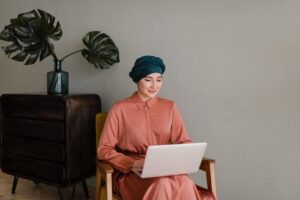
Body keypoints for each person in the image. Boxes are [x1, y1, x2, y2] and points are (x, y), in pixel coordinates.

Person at [97, 55, 215, 200]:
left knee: (185, 182)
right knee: (162, 184)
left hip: (167, 169)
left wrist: (183, 156)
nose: (154, 85)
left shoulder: (169, 107)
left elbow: (184, 141)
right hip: (132, 173)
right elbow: (104, 149)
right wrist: (133, 163)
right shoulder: (119, 108)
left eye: (159, 80)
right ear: (137, 80)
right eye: (148, 80)